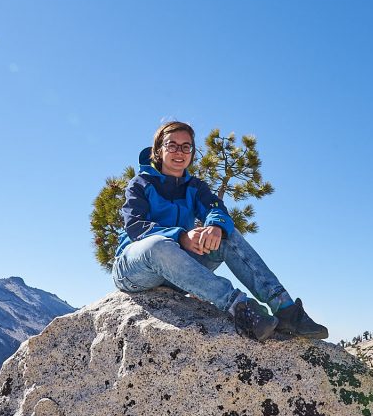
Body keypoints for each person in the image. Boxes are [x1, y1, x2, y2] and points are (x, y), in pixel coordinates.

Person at [111, 120, 328, 342]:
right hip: (136, 270)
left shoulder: (195, 187)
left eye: (186, 146)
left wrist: (215, 226)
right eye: (172, 145)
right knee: (157, 245)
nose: (179, 151)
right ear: (159, 150)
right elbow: (135, 226)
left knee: (226, 235)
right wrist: (181, 236)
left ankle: (286, 309)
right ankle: (240, 308)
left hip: (176, 272)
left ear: (192, 152)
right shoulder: (140, 183)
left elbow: (217, 209)